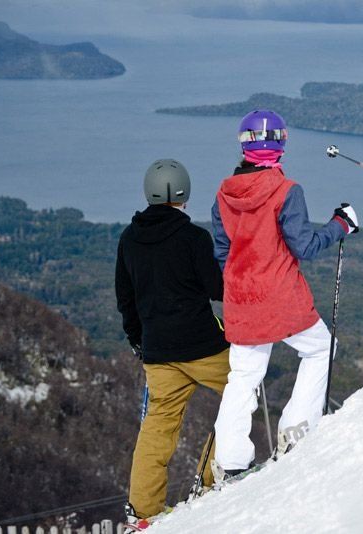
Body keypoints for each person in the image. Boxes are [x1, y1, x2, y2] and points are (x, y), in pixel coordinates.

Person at [210, 109, 359, 482]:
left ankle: (229, 458)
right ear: (281, 143)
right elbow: (305, 246)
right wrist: (341, 226)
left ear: (244, 144)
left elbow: (222, 253)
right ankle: (296, 428)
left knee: (242, 376)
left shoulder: (224, 194)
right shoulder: (286, 191)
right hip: (281, 295)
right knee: (321, 348)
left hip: (241, 299)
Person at [115, 159, 230, 530]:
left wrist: (139, 341)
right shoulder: (194, 238)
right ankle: (212, 477)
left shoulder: (129, 239)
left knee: (159, 425)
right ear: (184, 194)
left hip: (159, 352)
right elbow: (217, 289)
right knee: (241, 391)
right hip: (204, 345)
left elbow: (126, 299)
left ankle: (143, 509)